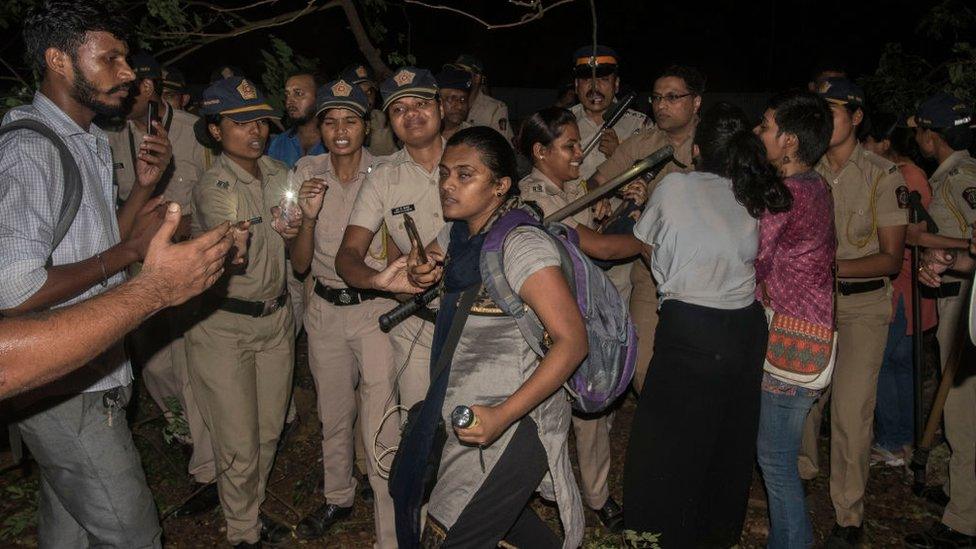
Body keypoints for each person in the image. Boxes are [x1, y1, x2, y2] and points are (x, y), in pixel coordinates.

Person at [0, 2, 174, 546]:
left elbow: (98, 247)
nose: (128, 72)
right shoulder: (30, 151)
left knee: (71, 530)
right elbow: (16, 287)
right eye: (111, 58)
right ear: (57, 59)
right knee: (134, 536)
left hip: (93, 371)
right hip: (64, 390)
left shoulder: (88, 141)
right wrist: (132, 258)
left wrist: (144, 186)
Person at [374, 126, 586, 547]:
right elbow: (430, 260)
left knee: (453, 535)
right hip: (464, 411)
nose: (448, 185)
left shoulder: (521, 245)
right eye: (445, 174)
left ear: (500, 186)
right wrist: (419, 269)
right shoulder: (460, 233)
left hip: (517, 423)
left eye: (465, 175)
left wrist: (502, 416)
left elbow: (572, 342)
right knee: (492, 525)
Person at [624, 102, 790, 547]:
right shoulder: (751, 188)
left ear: (697, 150)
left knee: (664, 441)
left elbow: (644, 244)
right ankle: (715, 534)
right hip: (744, 329)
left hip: (692, 326)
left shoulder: (675, 185)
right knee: (726, 439)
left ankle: (654, 535)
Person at [518, 106, 643, 532]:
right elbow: (600, 248)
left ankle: (598, 496)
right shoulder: (533, 196)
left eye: (578, 143)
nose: (578, 153)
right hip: (551, 325)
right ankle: (534, 492)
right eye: (569, 146)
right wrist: (646, 244)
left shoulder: (569, 190)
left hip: (582, 318)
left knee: (590, 415)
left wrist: (619, 209)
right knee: (545, 414)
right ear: (539, 151)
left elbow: (592, 232)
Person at [185, 76, 297, 548]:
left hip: (276, 322)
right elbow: (224, 223)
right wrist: (234, 242)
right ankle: (243, 531)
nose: (255, 131)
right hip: (224, 327)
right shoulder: (215, 184)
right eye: (240, 122)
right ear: (215, 130)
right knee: (238, 442)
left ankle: (249, 508)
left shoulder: (279, 173)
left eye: (260, 122)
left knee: (269, 431)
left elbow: (295, 241)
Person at [335, 66, 444, 548]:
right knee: (419, 435)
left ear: (441, 106)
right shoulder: (383, 180)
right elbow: (346, 255)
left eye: (420, 102)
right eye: (398, 108)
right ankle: (408, 536)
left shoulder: (475, 156)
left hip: (486, 324)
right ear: (389, 122)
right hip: (418, 325)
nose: (411, 114)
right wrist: (379, 280)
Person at [287, 79, 400, 543]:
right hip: (325, 309)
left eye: (350, 120)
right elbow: (297, 264)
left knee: (381, 418)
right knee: (333, 414)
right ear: (320, 127)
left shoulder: (388, 172)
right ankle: (338, 496)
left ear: (365, 126)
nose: (339, 130)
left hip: (374, 309)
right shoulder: (305, 172)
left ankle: (390, 526)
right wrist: (308, 215)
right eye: (330, 121)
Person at [105, 51, 218, 514]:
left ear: (147, 89)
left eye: (127, 82)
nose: (117, 88)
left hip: (188, 263)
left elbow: (220, 197)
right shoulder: (108, 138)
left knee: (194, 366)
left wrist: (179, 225)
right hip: (137, 267)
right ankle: (188, 436)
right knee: (154, 366)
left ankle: (209, 471)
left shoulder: (196, 131)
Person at [798, 77, 908, 548]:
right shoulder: (805, 169)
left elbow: (890, 258)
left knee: (850, 411)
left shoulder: (883, 175)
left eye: (834, 110)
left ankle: (848, 515)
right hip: (813, 304)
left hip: (862, 305)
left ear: (857, 116)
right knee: (804, 398)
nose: (824, 119)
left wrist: (825, 265)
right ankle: (799, 477)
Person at [1, 203, 239, 400]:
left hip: (101, 373)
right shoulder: (30, 150)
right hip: (59, 390)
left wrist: (141, 192)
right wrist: (157, 286)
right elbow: (8, 360)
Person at [752, 90, 836, 548]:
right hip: (814, 332)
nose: (758, 133)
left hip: (792, 339)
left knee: (777, 461)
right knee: (778, 459)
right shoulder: (817, 185)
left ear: (787, 141)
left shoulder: (786, 193)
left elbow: (756, 259)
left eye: (765, 126)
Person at [589, 65, 700, 392]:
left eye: (672, 97)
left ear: (696, 102)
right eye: (656, 98)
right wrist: (612, 196)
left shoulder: (713, 144)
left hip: (701, 273)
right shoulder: (641, 143)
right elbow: (596, 182)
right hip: (649, 270)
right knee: (642, 368)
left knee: (694, 366)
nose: (661, 105)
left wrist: (651, 197)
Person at [903, 94, 976, 549]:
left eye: (920, 130)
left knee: (964, 415)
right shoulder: (952, 175)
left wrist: (927, 240)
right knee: (956, 412)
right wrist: (942, 258)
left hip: (967, 307)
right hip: (958, 294)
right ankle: (956, 494)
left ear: (933, 134)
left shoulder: (960, 178)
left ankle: (962, 523)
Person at [861, 113, 938, 468]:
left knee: (883, 365)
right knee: (897, 367)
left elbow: (912, 232)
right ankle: (901, 439)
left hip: (903, 289)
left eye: (869, 141)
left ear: (885, 144)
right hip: (906, 286)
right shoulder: (902, 176)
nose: (865, 148)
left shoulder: (907, 178)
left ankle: (894, 440)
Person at [267, 72, 326, 168]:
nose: (290, 101)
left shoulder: (335, 143)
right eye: (287, 95)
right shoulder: (279, 144)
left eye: (298, 94)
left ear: (319, 97)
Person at [451, 54, 513, 141]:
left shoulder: (495, 109)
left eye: (462, 72)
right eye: (455, 72)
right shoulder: (446, 104)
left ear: (477, 78)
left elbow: (500, 147)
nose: (456, 77)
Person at [342, 63, 398, 156]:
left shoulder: (381, 122)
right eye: (358, 92)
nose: (366, 98)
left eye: (369, 92)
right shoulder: (332, 124)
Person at [436, 66, 473, 140]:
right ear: (437, 101)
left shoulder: (473, 136)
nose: (459, 106)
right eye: (451, 99)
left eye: (463, 100)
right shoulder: (422, 133)